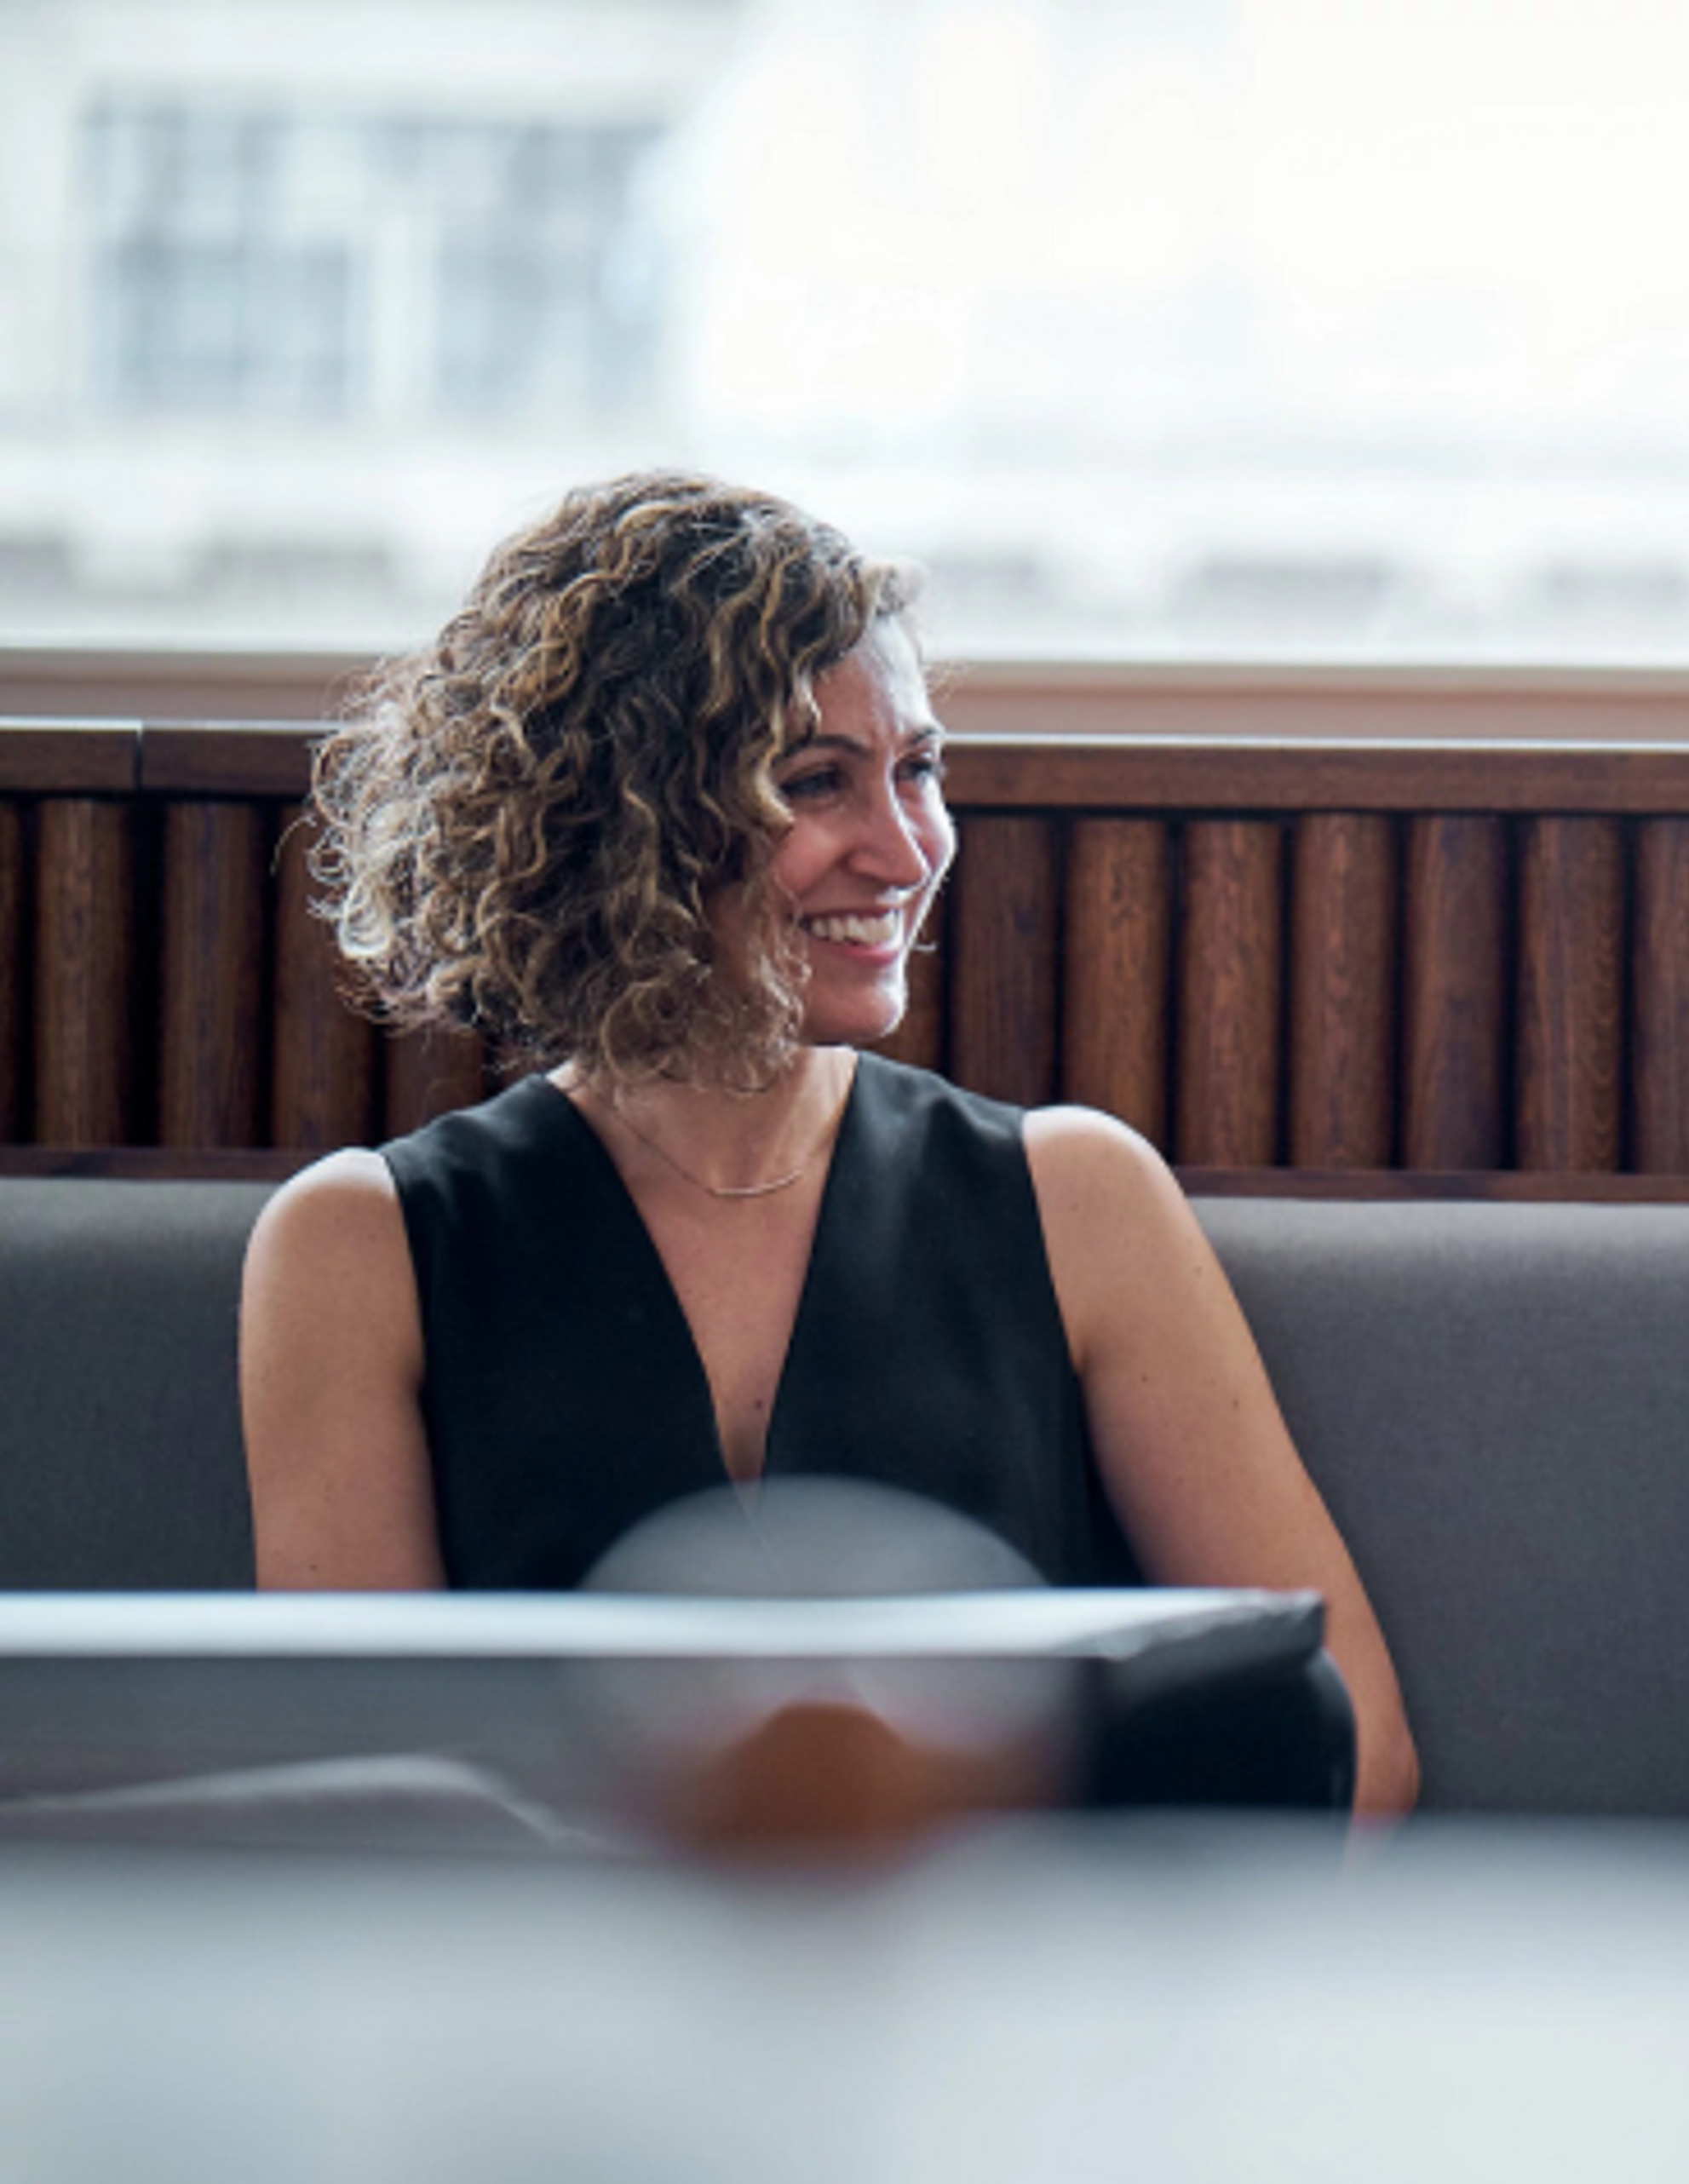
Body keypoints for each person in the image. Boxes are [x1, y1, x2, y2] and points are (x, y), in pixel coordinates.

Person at [241, 471, 1417, 1821]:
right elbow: (367, 1813)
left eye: (918, 768)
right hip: (555, 2005)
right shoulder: (359, 1246)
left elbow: (1356, 1746)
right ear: (621, 823)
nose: (907, 850)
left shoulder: (1077, 1198)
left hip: (1016, 1993)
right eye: (817, 783)